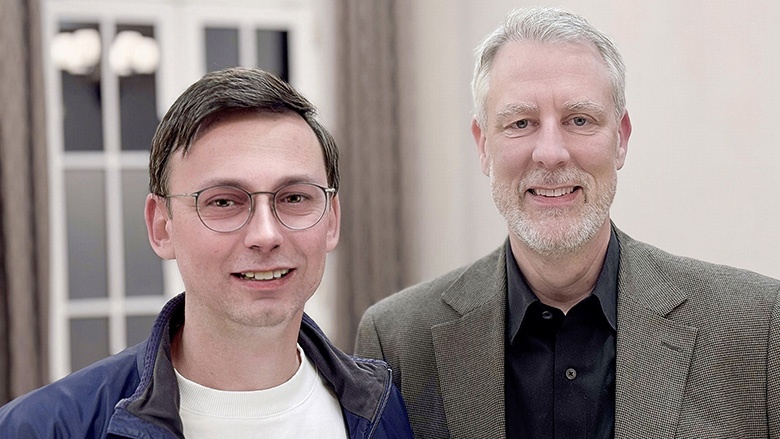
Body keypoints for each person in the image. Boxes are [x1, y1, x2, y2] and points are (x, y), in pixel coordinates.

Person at [355, 7, 780, 439]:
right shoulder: (398, 343)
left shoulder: (757, 328)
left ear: (621, 138)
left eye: (579, 120)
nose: (551, 153)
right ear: (483, 146)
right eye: (521, 123)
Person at [0, 67, 413, 438]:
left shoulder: (385, 410)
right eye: (224, 202)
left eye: (294, 198)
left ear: (331, 219)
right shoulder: (40, 428)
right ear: (161, 227)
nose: (265, 235)